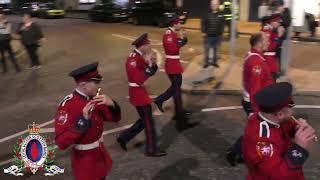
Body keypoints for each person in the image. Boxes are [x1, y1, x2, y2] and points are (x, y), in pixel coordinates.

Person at [54, 62, 121, 180]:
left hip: (100, 154)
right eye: (96, 83)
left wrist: (112, 104)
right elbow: (61, 142)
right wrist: (83, 121)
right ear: (83, 85)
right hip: (85, 162)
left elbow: (114, 118)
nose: (99, 86)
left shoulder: (93, 97)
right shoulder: (68, 105)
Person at [242, 82, 316, 180]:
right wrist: (298, 148)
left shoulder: (273, 117)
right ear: (280, 114)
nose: (293, 108)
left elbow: (288, 127)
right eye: (291, 105)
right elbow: (278, 176)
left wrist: (297, 129)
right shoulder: (262, 142)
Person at [225, 33, 274, 166]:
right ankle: (234, 152)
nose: (269, 42)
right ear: (259, 43)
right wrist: (258, 111)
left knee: (255, 132)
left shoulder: (255, 57)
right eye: (266, 40)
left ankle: (240, 152)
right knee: (255, 132)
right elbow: (255, 90)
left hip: (255, 103)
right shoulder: (256, 63)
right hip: (254, 104)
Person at [117, 33, 167, 157]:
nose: (149, 46)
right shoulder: (133, 59)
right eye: (147, 44)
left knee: (144, 121)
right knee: (149, 123)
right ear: (142, 46)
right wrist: (149, 66)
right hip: (138, 93)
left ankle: (124, 137)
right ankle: (151, 149)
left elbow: (149, 71)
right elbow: (137, 79)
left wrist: (152, 64)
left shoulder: (138, 56)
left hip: (140, 92)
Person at [153, 18, 198, 131]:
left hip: (174, 65)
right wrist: (181, 39)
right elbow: (173, 49)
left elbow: (181, 42)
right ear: (174, 24)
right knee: (177, 93)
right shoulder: (168, 34)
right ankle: (181, 123)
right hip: (172, 66)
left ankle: (172, 109)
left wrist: (183, 37)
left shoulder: (173, 33)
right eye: (179, 23)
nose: (180, 25)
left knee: (175, 88)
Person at [201, 0, 224, 68]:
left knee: (215, 50)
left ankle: (214, 62)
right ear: (211, 5)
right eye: (213, 4)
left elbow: (222, 24)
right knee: (207, 50)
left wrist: (221, 33)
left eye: (216, 4)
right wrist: (203, 31)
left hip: (217, 36)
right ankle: (206, 63)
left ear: (218, 5)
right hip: (208, 36)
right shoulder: (206, 14)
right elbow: (203, 23)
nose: (214, 5)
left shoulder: (221, 14)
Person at [261, 13, 284, 81]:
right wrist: (279, 36)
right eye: (277, 22)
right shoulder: (267, 32)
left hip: (269, 60)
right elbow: (270, 47)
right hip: (268, 61)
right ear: (272, 22)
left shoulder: (270, 30)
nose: (279, 24)